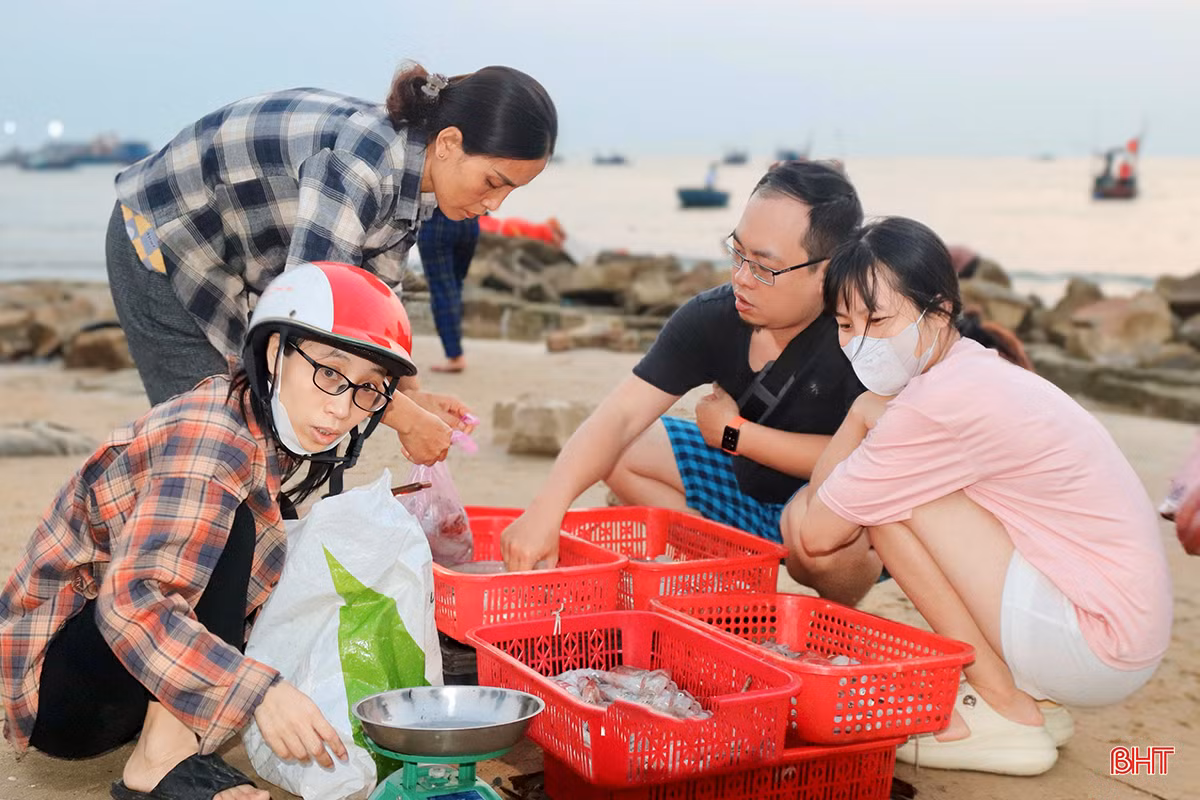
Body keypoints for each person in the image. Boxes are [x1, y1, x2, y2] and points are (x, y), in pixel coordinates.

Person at [0, 263, 430, 800]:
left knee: (268, 526)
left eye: (368, 390)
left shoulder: (262, 420)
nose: (341, 407)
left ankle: (175, 733)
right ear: (275, 352)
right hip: (61, 693)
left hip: (128, 673)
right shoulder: (212, 437)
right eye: (330, 373)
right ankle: (160, 757)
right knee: (237, 523)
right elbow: (131, 602)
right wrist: (260, 694)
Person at [787, 217, 1172, 775]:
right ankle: (1031, 697)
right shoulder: (975, 373)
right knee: (891, 495)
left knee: (890, 509)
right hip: (1121, 630)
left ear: (938, 310)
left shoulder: (932, 404)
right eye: (846, 324)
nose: (860, 341)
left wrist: (858, 414)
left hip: (1096, 641)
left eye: (877, 319)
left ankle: (1003, 706)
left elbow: (816, 535)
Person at [108, 62, 557, 464]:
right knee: (211, 442)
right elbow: (318, 327)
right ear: (449, 143)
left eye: (510, 192)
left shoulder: (417, 180)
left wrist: (414, 398)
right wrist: (405, 421)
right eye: (493, 182)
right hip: (163, 237)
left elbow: (373, 302)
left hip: (231, 259)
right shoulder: (358, 167)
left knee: (257, 438)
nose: (496, 204)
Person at [502, 161, 874, 605]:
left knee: (813, 536)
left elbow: (863, 459)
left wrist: (736, 434)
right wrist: (546, 510)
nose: (740, 278)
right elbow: (619, 415)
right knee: (622, 449)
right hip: (741, 489)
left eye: (764, 267)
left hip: (829, 510)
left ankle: (838, 609)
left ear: (827, 272)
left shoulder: (865, 337)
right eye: (738, 253)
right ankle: (731, 579)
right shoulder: (713, 316)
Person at [416, 207, 481, 373]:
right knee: (454, 286)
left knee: (442, 289)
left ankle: (455, 355)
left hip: (437, 219)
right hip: (470, 222)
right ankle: (455, 351)